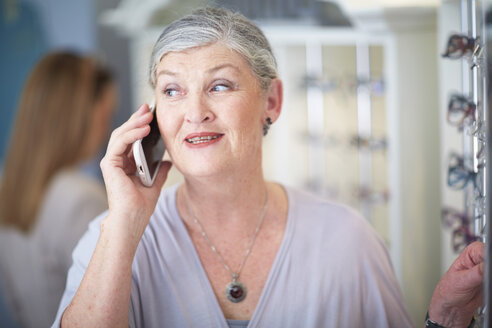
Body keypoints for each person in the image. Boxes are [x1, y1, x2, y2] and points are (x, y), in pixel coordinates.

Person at [52, 7, 484, 328]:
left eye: (220, 85)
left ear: (271, 101)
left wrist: (442, 319)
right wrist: (125, 224)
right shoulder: (111, 242)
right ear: (153, 114)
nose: (194, 111)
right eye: (172, 90)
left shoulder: (346, 241)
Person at [0, 51, 116, 327]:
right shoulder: (81, 198)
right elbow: (112, 302)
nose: (107, 127)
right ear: (80, 115)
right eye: (106, 114)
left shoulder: (9, 189)